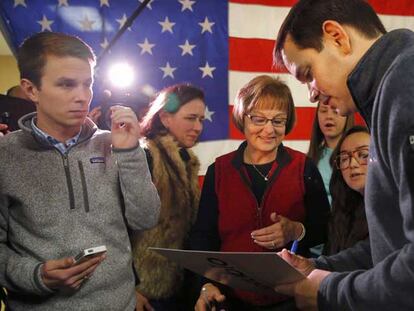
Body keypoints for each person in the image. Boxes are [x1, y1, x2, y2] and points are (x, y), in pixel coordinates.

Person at [0, 32, 161, 311]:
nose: (82, 96)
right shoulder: (6, 156)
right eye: (66, 85)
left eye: (87, 84)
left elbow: (145, 219)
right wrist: (36, 276)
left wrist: (130, 153)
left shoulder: (114, 144)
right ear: (31, 89)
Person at [273, 0, 414, 309]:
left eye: (308, 73)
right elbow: (390, 244)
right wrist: (321, 269)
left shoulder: (405, 84)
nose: (311, 93)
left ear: (337, 37)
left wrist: (329, 291)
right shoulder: (388, 91)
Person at [191, 75, 330, 310]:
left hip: (291, 300)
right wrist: (205, 285)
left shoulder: (303, 167)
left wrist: (297, 230)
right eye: (259, 119)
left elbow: (326, 229)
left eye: (278, 121)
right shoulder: (219, 170)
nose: (269, 129)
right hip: (230, 299)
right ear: (242, 118)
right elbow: (204, 238)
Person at [131, 84, 205, 311]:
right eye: (191, 118)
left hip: (180, 286)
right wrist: (129, 286)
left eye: (201, 119)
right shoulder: (143, 155)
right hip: (146, 290)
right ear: (164, 117)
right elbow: (115, 227)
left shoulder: (187, 159)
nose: (198, 127)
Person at [324, 125, 369, 255]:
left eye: (363, 155)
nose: (352, 164)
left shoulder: (397, 209)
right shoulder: (340, 211)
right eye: (344, 159)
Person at [307, 102, 353, 204]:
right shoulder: (309, 160)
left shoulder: (358, 157)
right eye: (323, 111)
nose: (329, 116)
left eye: (335, 111)